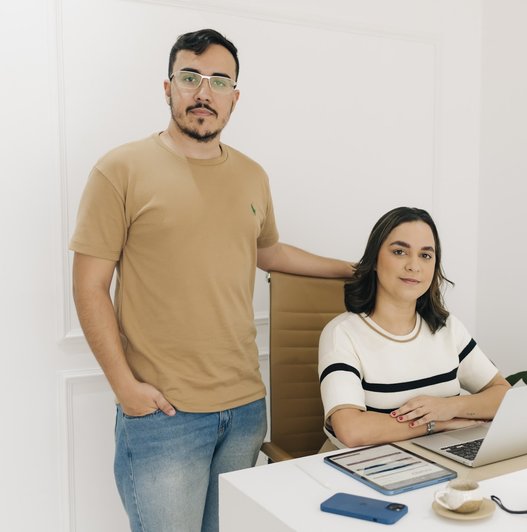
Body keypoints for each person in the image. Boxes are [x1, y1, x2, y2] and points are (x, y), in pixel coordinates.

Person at [69, 29, 352, 532]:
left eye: (219, 81)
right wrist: (125, 388)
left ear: (235, 97)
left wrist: (354, 269)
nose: (204, 92)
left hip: (244, 409)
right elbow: (89, 285)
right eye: (190, 78)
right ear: (167, 88)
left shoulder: (251, 175)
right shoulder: (120, 169)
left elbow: (268, 252)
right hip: (164, 415)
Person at [318, 207, 511, 448]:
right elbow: (352, 430)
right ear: (375, 260)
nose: (414, 266)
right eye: (399, 252)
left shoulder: (447, 327)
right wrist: (437, 424)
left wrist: (449, 407)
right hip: (367, 467)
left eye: (426, 255)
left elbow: (503, 394)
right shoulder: (342, 333)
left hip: (442, 458)